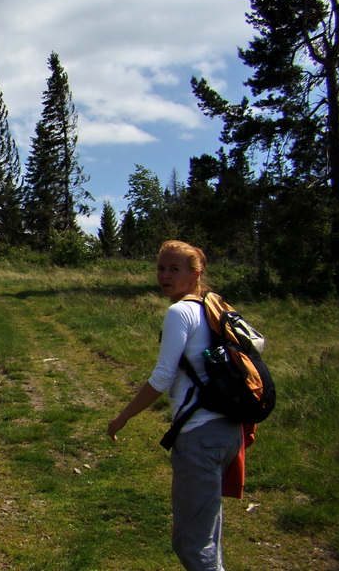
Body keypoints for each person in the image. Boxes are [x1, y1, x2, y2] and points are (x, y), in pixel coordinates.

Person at [107, 240, 242, 571]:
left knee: (193, 544)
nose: (164, 276)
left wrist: (122, 417)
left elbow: (163, 377)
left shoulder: (180, 311)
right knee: (206, 534)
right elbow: (258, 344)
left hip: (199, 435)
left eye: (174, 269)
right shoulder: (214, 306)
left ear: (195, 274)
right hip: (228, 431)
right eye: (160, 268)